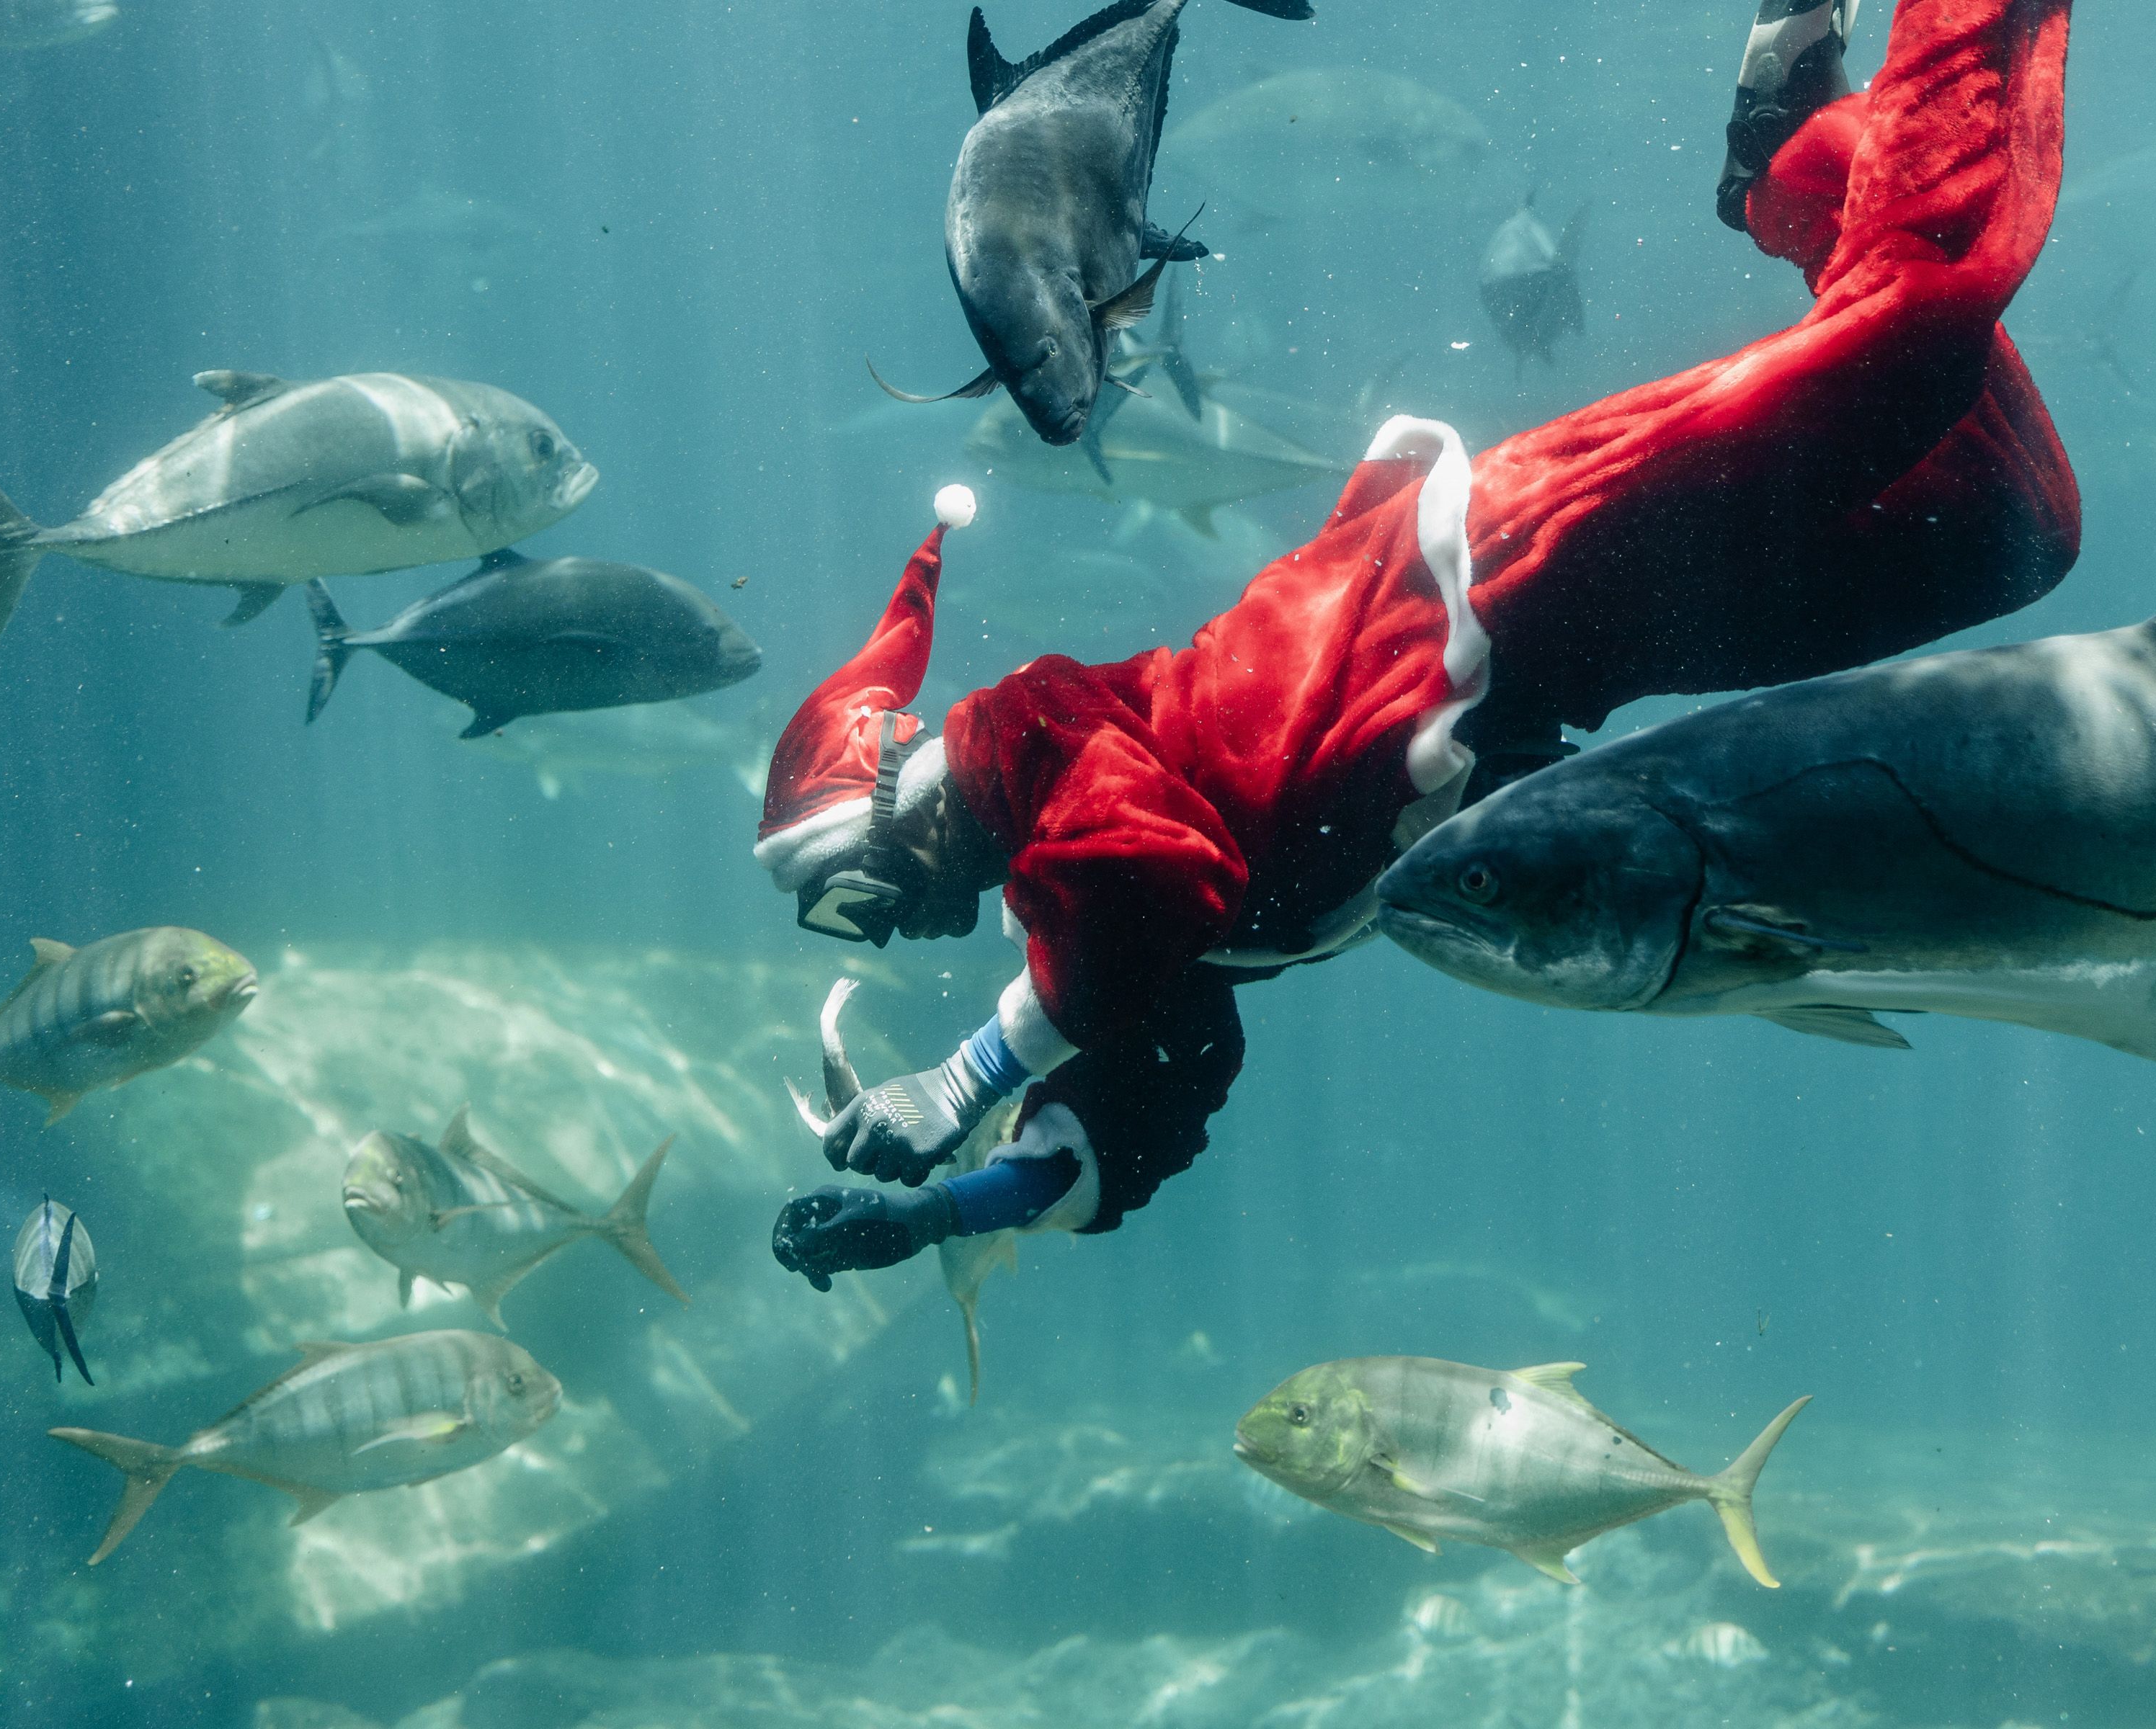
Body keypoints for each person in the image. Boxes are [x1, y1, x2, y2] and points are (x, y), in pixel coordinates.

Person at [765, 0, 2081, 1290]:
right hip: (1570, 663)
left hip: (1502, 567)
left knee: (1916, 323)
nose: (891, 935)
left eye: (855, 895)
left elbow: (1149, 877)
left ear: (890, 780)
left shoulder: (1027, 743)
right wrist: (945, 1213)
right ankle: (1797, 160)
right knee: (2007, 522)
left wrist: (962, 1077)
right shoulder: (1072, 925)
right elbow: (1157, 1089)